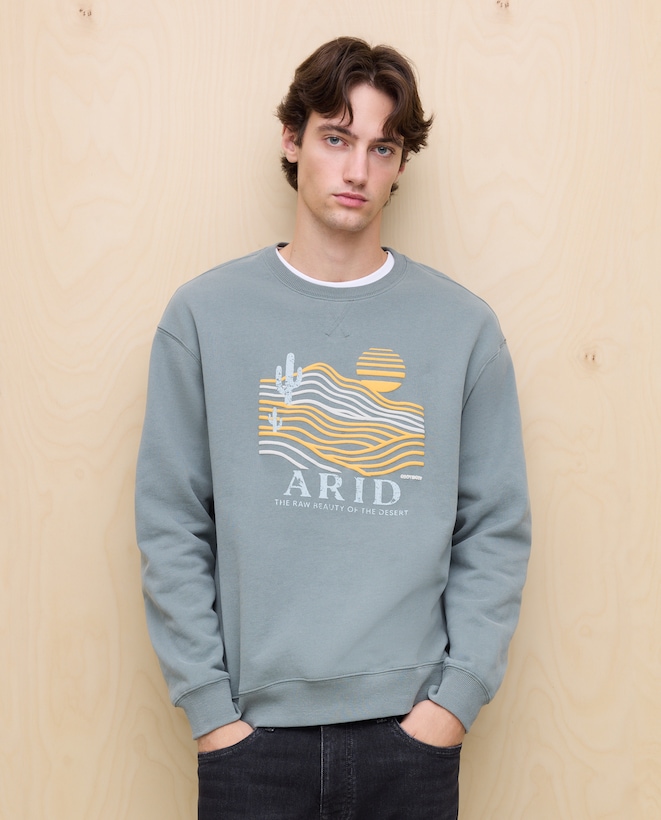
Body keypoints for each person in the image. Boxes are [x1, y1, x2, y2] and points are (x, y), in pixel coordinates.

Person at [136, 36, 531, 819]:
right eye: (336, 138)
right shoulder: (205, 316)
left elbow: (495, 528)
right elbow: (171, 521)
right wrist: (211, 713)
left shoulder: (461, 329)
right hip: (251, 743)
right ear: (292, 140)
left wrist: (450, 706)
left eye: (381, 148)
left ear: (400, 164)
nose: (357, 170)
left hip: (410, 740)